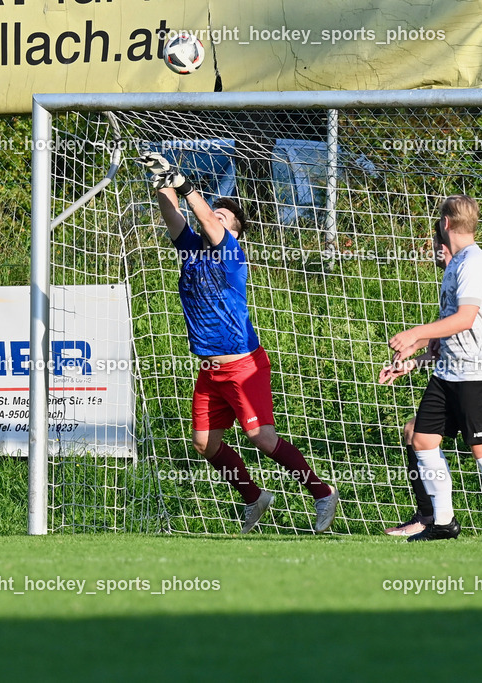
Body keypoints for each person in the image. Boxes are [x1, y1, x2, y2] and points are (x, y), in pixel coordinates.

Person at [138, 152, 338, 534]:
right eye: (216, 213)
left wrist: (186, 186)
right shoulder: (191, 252)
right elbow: (173, 214)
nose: (214, 218)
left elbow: (207, 220)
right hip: (209, 368)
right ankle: (253, 497)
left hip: (243, 366)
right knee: (204, 443)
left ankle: (322, 491)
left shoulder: (230, 253)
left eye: (224, 217)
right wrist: (163, 180)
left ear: (235, 231)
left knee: (260, 436)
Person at [383, 195, 482, 542]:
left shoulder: (474, 261)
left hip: (478, 371)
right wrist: (415, 356)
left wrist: (414, 332)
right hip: (449, 372)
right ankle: (443, 523)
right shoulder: (455, 263)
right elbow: (447, 329)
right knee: (422, 438)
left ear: (447, 224)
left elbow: (466, 319)